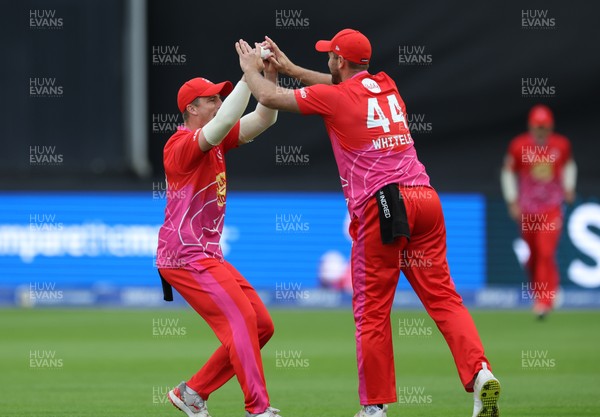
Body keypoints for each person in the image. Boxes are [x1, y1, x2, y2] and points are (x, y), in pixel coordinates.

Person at [236, 29, 501, 417]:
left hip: (385, 205)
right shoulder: (387, 85)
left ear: (340, 61)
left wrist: (249, 69)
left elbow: (268, 97)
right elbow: (337, 85)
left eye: (330, 56)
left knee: (372, 312)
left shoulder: (337, 98)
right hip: (426, 199)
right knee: (444, 299)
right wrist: (291, 67)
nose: (328, 61)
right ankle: (480, 373)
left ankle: (374, 408)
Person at [156, 56, 282, 417]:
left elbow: (264, 118)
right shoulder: (179, 146)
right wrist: (249, 74)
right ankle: (257, 408)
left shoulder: (217, 140)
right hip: (183, 256)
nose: (218, 103)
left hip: (205, 256)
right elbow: (226, 118)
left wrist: (267, 77)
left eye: (218, 98)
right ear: (192, 108)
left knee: (261, 325)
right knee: (241, 321)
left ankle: (193, 392)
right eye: (211, 99)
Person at [501, 104, 577, 319]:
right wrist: (512, 201)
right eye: (538, 127)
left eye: (544, 127)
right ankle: (542, 292)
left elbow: (569, 165)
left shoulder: (561, 145)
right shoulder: (519, 146)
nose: (541, 132)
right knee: (533, 255)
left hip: (552, 208)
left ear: (550, 126)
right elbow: (508, 173)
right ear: (531, 126)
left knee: (545, 251)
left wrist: (569, 187)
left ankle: (544, 300)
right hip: (527, 210)